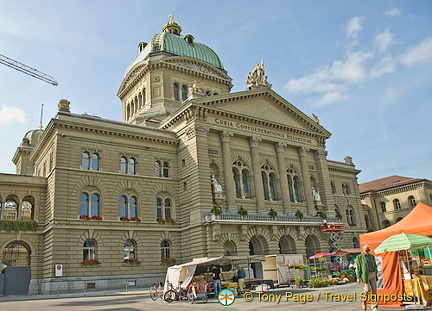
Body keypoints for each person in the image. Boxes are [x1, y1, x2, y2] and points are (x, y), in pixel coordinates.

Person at [356, 245, 378, 311]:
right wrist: (358, 277)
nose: (368, 252)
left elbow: (374, 264)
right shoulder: (359, 257)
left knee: (374, 290)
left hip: (372, 273)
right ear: (363, 250)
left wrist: (375, 271)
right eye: (366, 250)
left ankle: (374, 306)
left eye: (368, 250)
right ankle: (364, 302)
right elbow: (358, 268)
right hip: (365, 275)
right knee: (367, 290)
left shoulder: (371, 256)